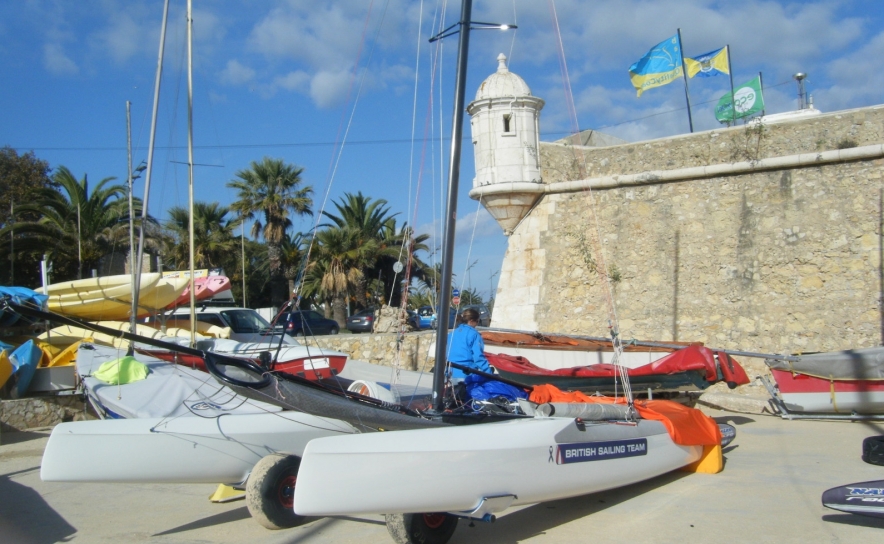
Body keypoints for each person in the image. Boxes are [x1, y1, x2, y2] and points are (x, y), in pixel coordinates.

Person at [446, 308, 492, 382]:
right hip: (466, 375)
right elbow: (478, 357)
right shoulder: (474, 335)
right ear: (471, 321)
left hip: (449, 373)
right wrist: (489, 373)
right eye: (477, 321)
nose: (477, 324)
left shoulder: (451, 334)